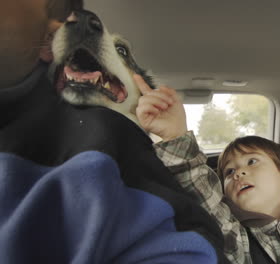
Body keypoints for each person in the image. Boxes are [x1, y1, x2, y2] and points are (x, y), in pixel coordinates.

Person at [0, 1, 224, 263]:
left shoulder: (140, 169)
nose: (79, 24)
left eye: (121, 50)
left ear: (142, 95)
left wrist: (174, 137)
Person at [135, 76, 280, 264]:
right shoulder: (235, 238)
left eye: (252, 162)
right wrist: (175, 135)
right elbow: (199, 189)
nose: (238, 173)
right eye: (228, 173)